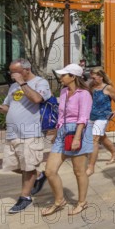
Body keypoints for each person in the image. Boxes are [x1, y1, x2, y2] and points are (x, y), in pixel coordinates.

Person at [0, 59, 52, 214]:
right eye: (10, 71)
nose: (11, 74)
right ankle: (40, 175)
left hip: (31, 133)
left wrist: (22, 83)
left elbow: (37, 99)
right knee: (14, 166)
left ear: (26, 69)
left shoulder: (40, 83)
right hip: (13, 133)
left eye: (14, 71)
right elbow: (7, 108)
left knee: (27, 167)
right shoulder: (14, 86)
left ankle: (25, 197)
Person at [42, 64, 94, 216]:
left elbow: (83, 118)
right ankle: (59, 201)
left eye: (64, 75)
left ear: (73, 77)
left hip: (79, 132)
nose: (61, 77)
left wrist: (77, 138)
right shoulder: (64, 91)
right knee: (50, 171)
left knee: (79, 171)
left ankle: (82, 202)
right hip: (63, 132)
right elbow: (61, 115)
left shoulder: (84, 94)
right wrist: (57, 133)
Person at [86, 68, 115, 176]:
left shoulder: (108, 88)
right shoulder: (91, 87)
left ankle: (90, 166)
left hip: (103, 116)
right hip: (92, 115)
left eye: (94, 78)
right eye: (91, 77)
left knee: (94, 139)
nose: (92, 80)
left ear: (101, 77)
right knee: (101, 137)